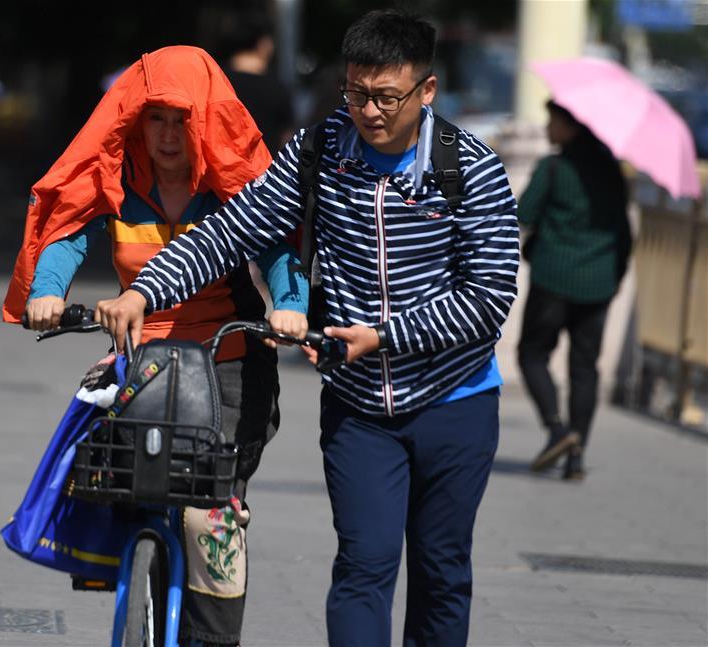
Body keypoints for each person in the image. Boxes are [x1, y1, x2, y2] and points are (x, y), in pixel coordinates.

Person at [94, 11, 519, 647]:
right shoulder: (320, 148)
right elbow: (235, 229)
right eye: (356, 93)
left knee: (440, 570)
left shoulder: (472, 169)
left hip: (454, 402)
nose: (368, 111)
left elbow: (488, 297)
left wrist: (386, 336)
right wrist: (146, 292)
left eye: (386, 97)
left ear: (426, 91)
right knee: (363, 565)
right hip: (358, 410)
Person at [2, 46, 308, 646]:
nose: (169, 135)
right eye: (156, 118)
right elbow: (69, 232)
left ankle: (212, 638)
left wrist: (290, 306)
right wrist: (48, 291)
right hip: (142, 358)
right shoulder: (115, 176)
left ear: (204, 122)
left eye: (182, 119)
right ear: (136, 120)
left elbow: (275, 248)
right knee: (112, 476)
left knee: (208, 513)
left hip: (229, 362)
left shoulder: (230, 185)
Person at [518, 100, 631, 480]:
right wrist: (613, 279)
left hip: (552, 279)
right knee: (584, 368)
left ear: (571, 127)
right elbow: (624, 232)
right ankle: (576, 455)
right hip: (597, 284)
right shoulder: (612, 170)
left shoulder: (553, 167)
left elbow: (524, 215)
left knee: (532, 353)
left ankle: (556, 429)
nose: (548, 128)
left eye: (553, 121)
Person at [217, 8, 294, 153]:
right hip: (264, 171)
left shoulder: (215, 80)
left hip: (218, 171)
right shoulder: (277, 88)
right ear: (263, 43)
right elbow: (286, 139)